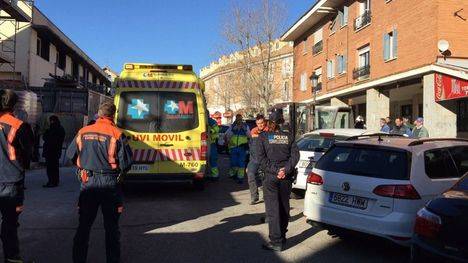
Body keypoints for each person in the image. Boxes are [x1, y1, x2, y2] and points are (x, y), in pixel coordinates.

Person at [66, 102, 133, 263]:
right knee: (111, 228)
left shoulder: (83, 131)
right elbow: (127, 163)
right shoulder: (117, 134)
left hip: (87, 182)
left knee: (84, 225)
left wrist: (84, 165)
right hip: (109, 184)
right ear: (113, 115)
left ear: (98, 114)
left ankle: (78, 259)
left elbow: (70, 154)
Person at [258, 111, 300, 252]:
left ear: (269, 122)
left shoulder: (263, 137)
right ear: (281, 122)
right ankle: (282, 236)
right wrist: (285, 170)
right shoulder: (288, 137)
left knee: (273, 210)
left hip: (271, 177)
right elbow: (295, 156)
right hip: (285, 178)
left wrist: (276, 171)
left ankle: (276, 241)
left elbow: (261, 159)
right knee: (283, 207)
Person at [0, 89, 33, 263]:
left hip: (9, 180)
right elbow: (28, 153)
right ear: (14, 104)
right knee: (10, 222)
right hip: (11, 181)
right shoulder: (19, 126)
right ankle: (11, 258)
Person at [246, 114, 268, 205]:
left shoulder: (269, 131)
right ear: (256, 123)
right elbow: (251, 147)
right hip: (254, 159)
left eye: (262, 123)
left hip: (266, 160)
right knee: (250, 174)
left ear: (264, 122)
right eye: (258, 123)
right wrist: (248, 164)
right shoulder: (253, 131)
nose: (260, 125)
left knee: (265, 177)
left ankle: (266, 196)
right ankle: (254, 197)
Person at [225, 114, 250, 184]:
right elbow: (227, 135)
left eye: (240, 119)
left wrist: (244, 129)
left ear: (242, 119)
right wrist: (233, 130)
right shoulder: (232, 126)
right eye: (237, 119)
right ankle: (233, 173)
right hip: (233, 147)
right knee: (234, 162)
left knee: (241, 163)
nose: (239, 120)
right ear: (236, 119)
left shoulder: (245, 126)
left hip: (242, 147)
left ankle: (240, 177)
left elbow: (249, 135)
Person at [42, 115, 65, 187]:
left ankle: (52, 181)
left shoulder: (52, 129)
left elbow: (46, 137)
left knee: (50, 167)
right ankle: (54, 181)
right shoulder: (60, 129)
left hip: (51, 151)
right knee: (54, 167)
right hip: (56, 150)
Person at [208, 116, 220, 181]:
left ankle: (215, 176)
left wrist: (210, 131)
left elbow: (217, 129)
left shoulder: (210, 121)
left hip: (211, 143)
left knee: (213, 159)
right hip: (207, 142)